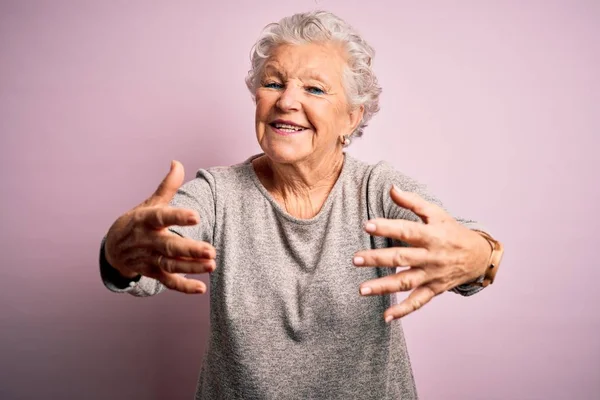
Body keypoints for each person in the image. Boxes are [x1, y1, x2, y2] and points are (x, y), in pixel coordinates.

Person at [99, 10, 504, 399]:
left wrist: (479, 255)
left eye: (314, 88)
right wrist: (119, 252)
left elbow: (456, 238)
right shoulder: (218, 193)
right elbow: (152, 253)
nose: (286, 101)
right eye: (274, 83)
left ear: (351, 118)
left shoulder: (377, 189)